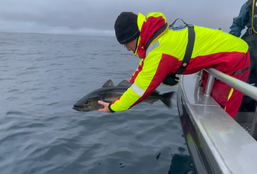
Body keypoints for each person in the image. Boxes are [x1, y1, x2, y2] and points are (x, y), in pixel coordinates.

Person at [97, 11, 250, 118]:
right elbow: (142, 70)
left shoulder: (159, 51)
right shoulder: (156, 40)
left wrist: (113, 107)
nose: (127, 48)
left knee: (223, 110)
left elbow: (140, 90)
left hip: (234, 56)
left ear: (135, 36)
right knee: (210, 98)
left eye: (126, 43)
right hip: (215, 60)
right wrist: (127, 87)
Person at [229, 0, 257, 111]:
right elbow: (238, 23)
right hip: (251, 44)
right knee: (245, 78)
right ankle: (243, 110)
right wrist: (232, 41)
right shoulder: (250, 4)